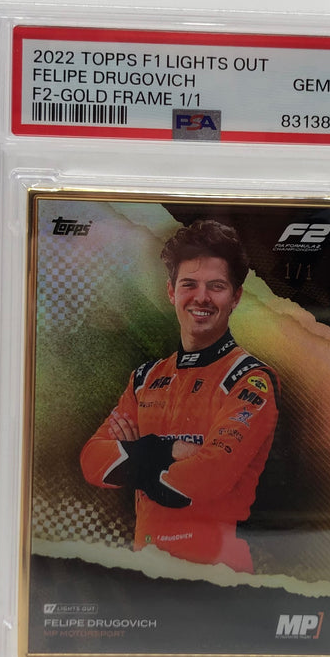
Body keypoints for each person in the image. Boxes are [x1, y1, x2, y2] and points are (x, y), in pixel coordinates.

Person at [80, 219, 279, 573]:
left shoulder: (250, 380)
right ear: (171, 292)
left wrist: (132, 459)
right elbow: (92, 459)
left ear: (235, 297)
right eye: (189, 284)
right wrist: (163, 450)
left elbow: (209, 476)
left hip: (219, 579)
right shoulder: (145, 379)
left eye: (216, 286)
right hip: (147, 573)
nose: (201, 297)